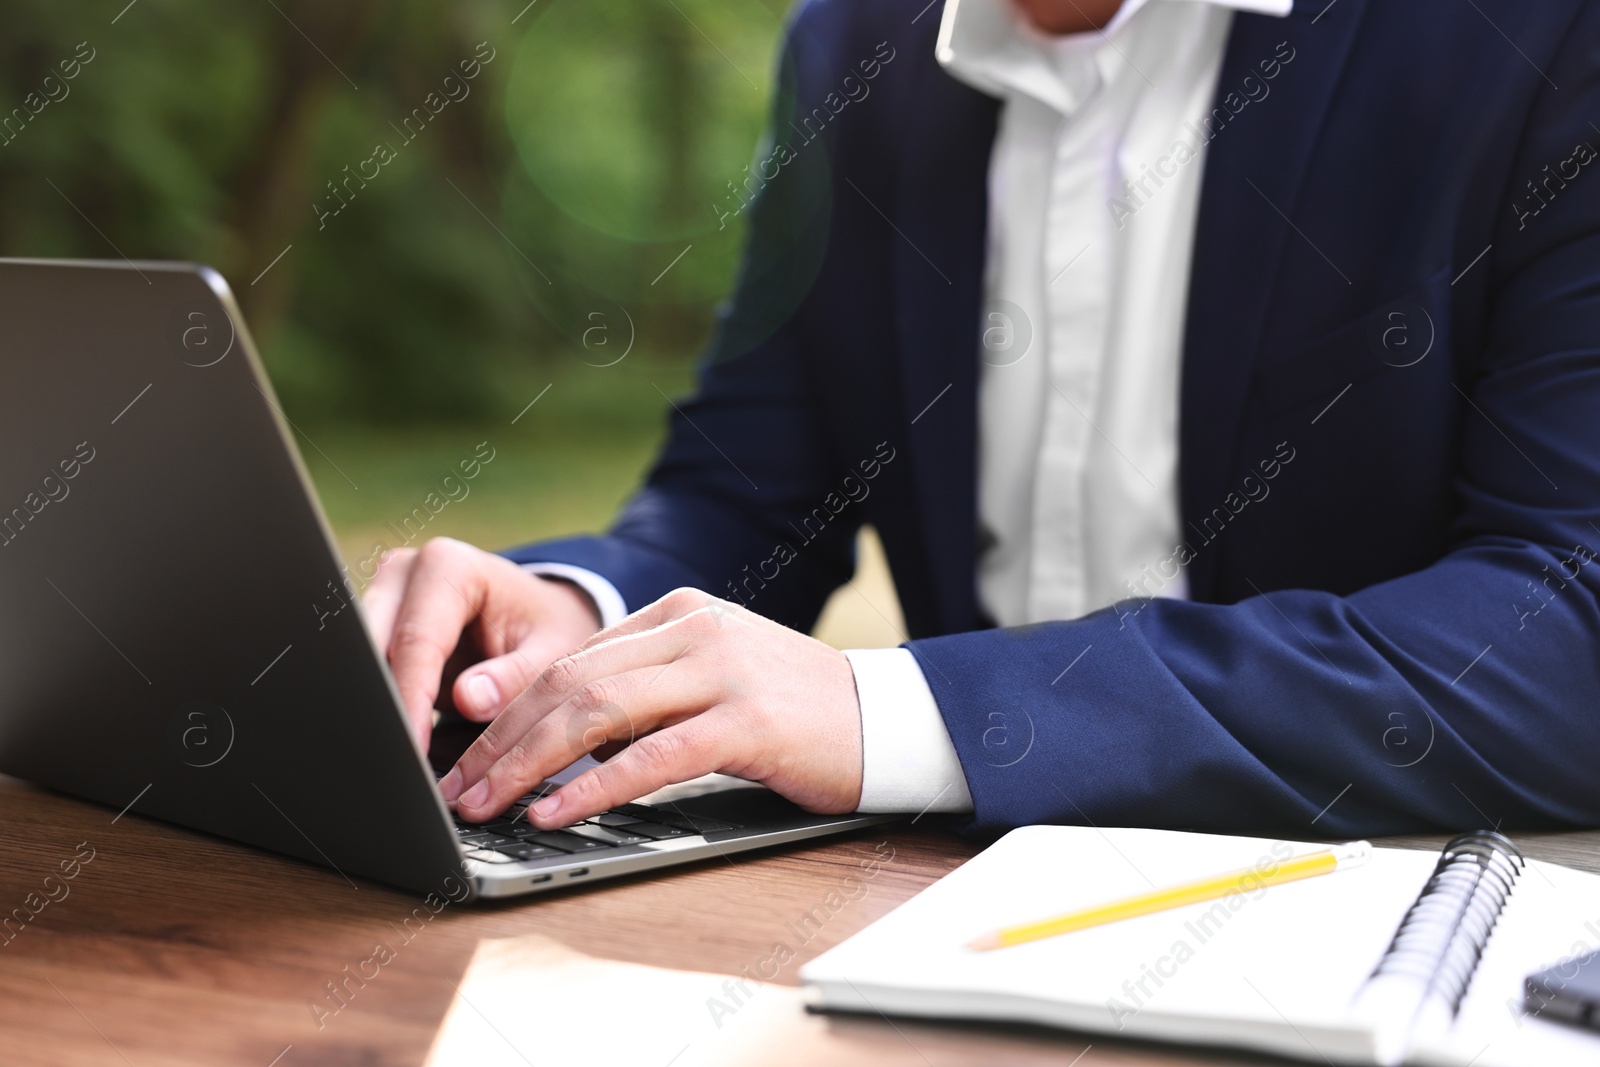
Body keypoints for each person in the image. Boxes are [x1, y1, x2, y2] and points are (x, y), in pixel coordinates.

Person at [364, 0, 1600, 840]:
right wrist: (572, 629)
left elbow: (1568, 629)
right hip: (932, 918)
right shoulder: (853, 38)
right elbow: (750, 489)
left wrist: (903, 713)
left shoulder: (1541, 39)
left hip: (1389, 921)